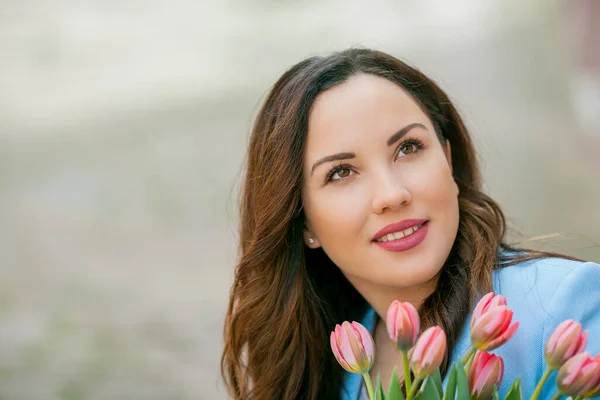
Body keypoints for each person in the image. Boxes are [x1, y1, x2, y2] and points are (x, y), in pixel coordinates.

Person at [220, 48, 600, 400]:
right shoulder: (329, 363)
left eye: (408, 148)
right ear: (303, 222)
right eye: (341, 173)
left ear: (448, 160)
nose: (391, 194)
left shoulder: (564, 306)